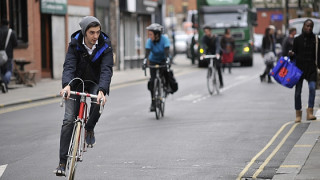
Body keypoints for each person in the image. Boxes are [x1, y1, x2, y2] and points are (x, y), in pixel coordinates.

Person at [54, 16, 113, 176]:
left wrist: (102, 90)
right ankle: (62, 162)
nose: (96, 36)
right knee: (68, 120)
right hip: (76, 82)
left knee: (98, 102)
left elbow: (106, 69)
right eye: (92, 33)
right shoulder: (74, 45)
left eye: (98, 32)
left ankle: (89, 128)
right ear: (84, 32)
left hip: (94, 82)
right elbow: (69, 66)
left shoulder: (105, 46)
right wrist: (66, 85)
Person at [289, 19, 320, 123]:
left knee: (312, 88)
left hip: (311, 69)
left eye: (311, 26)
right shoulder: (297, 39)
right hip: (299, 69)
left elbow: (319, 55)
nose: (309, 28)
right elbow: (293, 55)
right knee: (298, 92)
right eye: (307, 26)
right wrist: (292, 55)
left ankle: (310, 112)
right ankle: (298, 114)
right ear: (303, 26)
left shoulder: (316, 39)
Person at [143, 23, 171, 112]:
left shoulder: (164, 39)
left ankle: (166, 88)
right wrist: (144, 61)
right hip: (153, 60)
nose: (149, 36)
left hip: (163, 59)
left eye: (151, 34)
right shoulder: (149, 41)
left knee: (166, 74)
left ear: (157, 34)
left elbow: (167, 51)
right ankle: (153, 102)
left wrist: (167, 60)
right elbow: (147, 52)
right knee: (152, 81)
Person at [0, 18, 17, 93]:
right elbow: (15, 44)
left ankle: (5, 86)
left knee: (2, 71)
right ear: (8, 24)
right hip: (9, 55)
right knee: (9, 71)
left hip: (0, 55)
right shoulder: (11, 32)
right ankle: (4, 82)